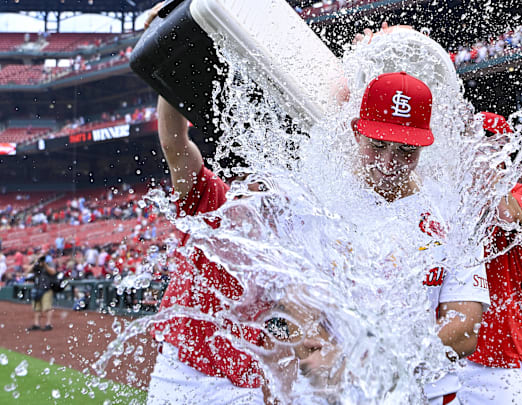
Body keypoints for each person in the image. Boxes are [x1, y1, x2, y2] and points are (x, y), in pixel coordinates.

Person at [148, 67, 488, 403]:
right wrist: (170, 60)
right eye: (378, 145)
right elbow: (299, 303)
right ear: (357, 133)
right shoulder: (310, 202)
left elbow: (466, 330)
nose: (388, 162)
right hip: (219, 376)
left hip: (420, 395)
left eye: (405, 151)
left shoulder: (452, 212)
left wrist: (368, 360)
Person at [459, 113, 522, 405]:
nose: (478, 147)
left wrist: (482, 167)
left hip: (498, 363)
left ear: (506, 150)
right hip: (445, 354)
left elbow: (507, 214)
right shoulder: (447, 196)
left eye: (488, 140)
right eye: (472, 139)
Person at [25, 255, 57, 331]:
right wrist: (36, 263)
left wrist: (44, 265)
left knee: (47, 307)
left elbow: (53, 272)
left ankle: (48, 324)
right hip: (37, 288)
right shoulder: (36, 266)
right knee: (37, 308)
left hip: (47, 288)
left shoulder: (49, 263)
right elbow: (28, 271)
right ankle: (36, 324)